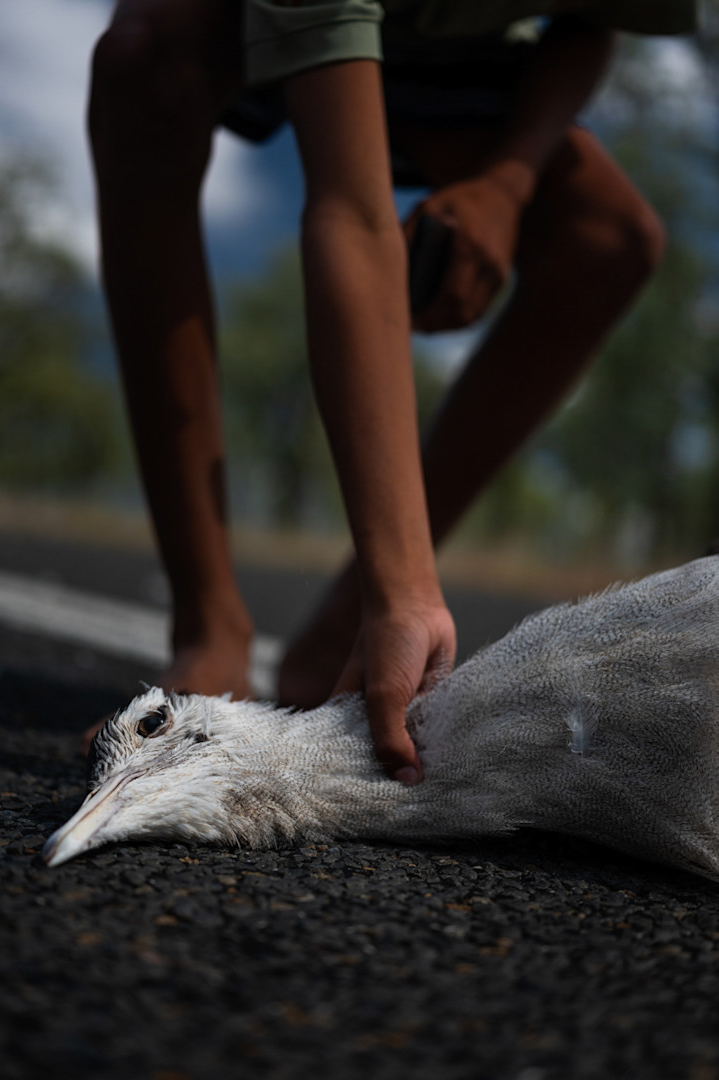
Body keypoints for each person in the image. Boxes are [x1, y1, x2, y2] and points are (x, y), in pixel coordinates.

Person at [86, 0, 698, 782]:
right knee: (146, 55)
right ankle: (210, 625)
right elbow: (349, 206)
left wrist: (507, 185)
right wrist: (404, 588)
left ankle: (340, 641)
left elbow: (592, 21)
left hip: (448, 49)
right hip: (242, 23)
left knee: (609, 238)